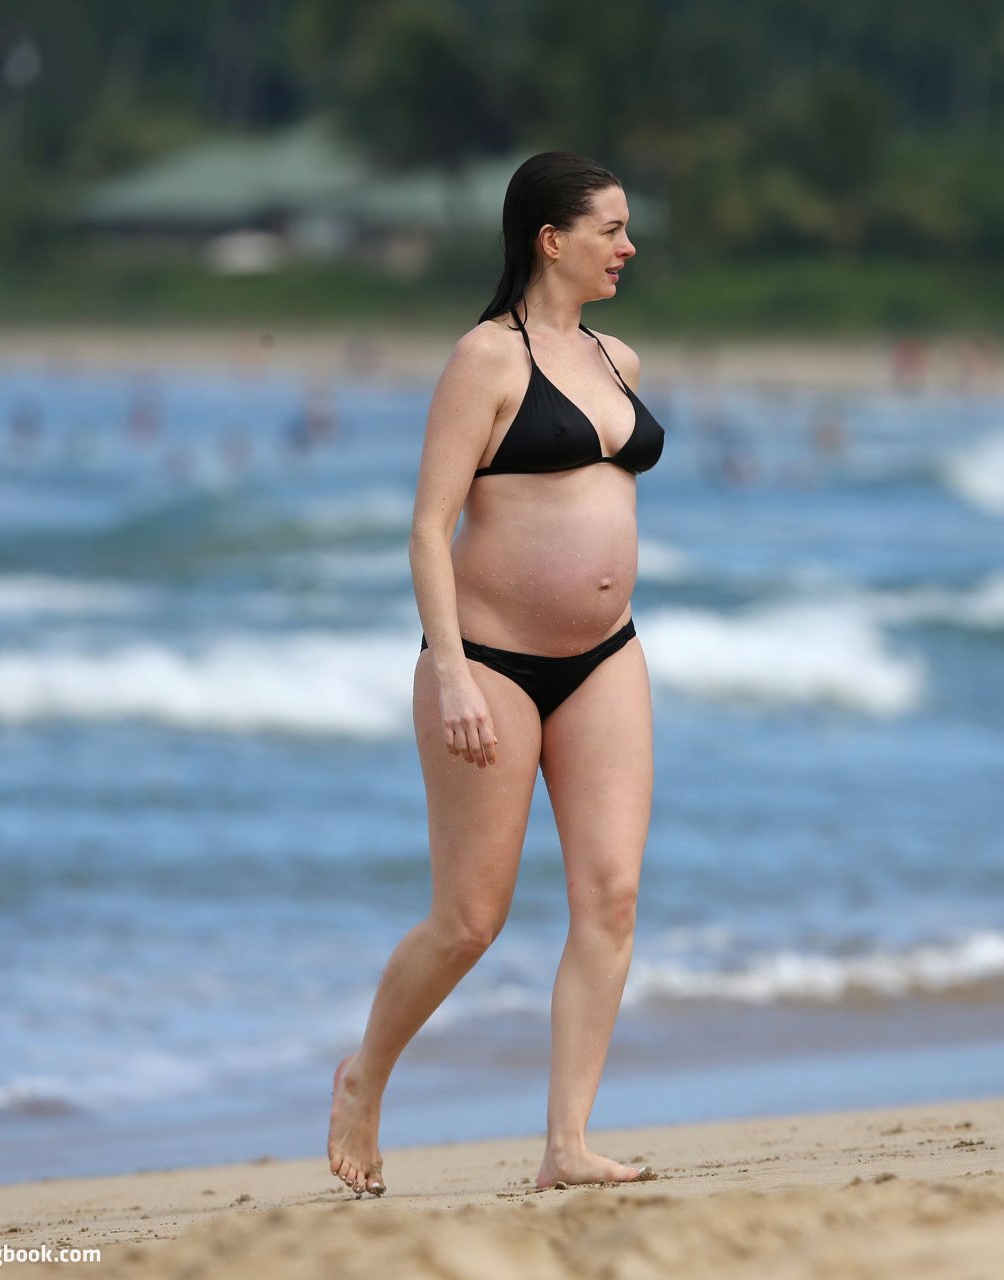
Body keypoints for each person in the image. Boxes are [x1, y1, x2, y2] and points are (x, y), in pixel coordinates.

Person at [328, 152, 664, 1194]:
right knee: (470, 919)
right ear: (550, 240)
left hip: (606, 655)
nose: (629, 246)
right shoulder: (485, 359)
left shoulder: (618, 358)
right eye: (610, 229)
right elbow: (428, 528)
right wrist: (453, 673)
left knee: (612, 897)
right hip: (490, 662)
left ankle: (567, 1144)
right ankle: (363, 1078)